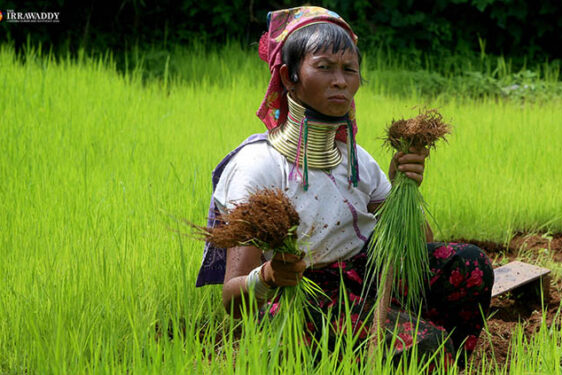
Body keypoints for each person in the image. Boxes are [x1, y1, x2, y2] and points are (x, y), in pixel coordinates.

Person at [195, 6, 493, 364]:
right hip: (305, 297)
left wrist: (403, 190)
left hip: (364, 276)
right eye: (324, 67)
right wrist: (271, 275)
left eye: (349, 70)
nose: (340, 80)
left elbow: (420, 247)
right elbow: (232, 299)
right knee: (423, 348)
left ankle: (440, 355)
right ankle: (416, 346)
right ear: (290, 77)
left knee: (470, 264)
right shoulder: (258, 167)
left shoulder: (356, 159)